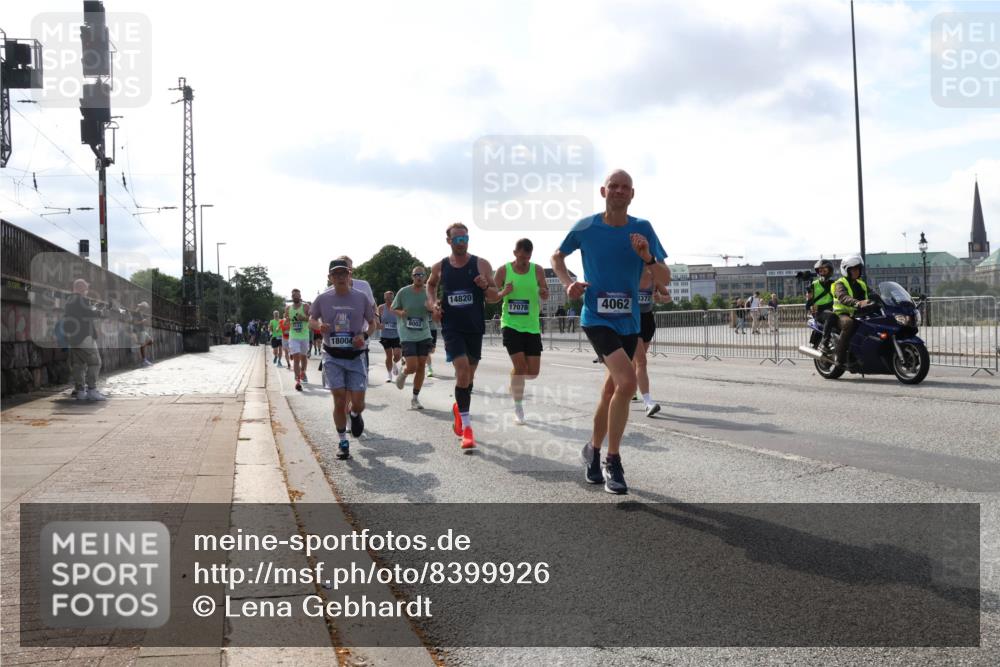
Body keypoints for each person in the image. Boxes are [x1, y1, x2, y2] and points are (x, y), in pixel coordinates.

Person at [551, 169, 668, 494]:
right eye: (613, 186)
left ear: (632, 194)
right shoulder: (587, 226)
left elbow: (665, 277)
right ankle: (612, 461)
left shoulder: (642, 228)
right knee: (627, 381)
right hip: (596, 317)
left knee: (610, 391)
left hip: (629, 321)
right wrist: (568, 282)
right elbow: (557, 256)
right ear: (603, 191)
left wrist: (647, 257)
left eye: (625, 187)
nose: (619, 191)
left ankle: (592, 449)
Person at [426, 222, 499, 450]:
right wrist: (433, 304)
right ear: (449, 241)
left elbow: (494, 296)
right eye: (457, 239)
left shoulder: (481, 264)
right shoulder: (440, 266)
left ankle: (459, 408)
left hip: (474, 326)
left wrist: (485, 285)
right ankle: (467, 428)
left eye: (465, 238)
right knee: (463, 370)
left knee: (468, 377)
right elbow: (430, 285)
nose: (462, 242)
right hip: (452, 327)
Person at [310, 258, 376, 460]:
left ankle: (355, 415)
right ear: (330, 277)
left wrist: (363, 336)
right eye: (335, 274)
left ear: (350, 275)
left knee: (358, 403)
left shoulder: (361, 298)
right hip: (333, 355)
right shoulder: (322, 298)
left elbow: (372, 323)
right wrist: (318, 327)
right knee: (339, 401)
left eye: (343, 273)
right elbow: (311, 319)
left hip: (356, 356)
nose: (340, 277)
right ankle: (343, 442)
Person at [495, 238, 549, 425]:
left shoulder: (538, 270)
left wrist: (544, 293)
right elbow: (491, 297)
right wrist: (503, 292)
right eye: (521, 256)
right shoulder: (504, 270)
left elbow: (545, 293)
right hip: (510, 325)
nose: (525, 260)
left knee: (533, 372)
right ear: (515, 253)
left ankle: (514, 379)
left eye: (528, 257)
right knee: (520, 367)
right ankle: (518, 408)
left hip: (532, 326)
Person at [392, 266, 434, 409]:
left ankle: (415, 398)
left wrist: (431, 308)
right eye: (416, 275)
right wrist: (401, 313)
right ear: (412, 276)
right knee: (412, 366)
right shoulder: (403, 292)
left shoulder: (429, 291)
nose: (419, 277)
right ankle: (404, 372)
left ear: (425, 276)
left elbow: (435, 308)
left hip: (424, 332)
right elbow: (393, 308)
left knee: (422, 365)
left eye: (421, 275)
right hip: (407, 333)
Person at [633, 265, 671, 417]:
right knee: (641, 361)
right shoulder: (630, 275)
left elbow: (668, 298)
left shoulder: (654, 278)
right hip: (632, 320)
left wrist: (660, 298)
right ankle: (648, 402)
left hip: (648, 321)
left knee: (637, 361)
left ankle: (630, 388)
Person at [64, 278, 107, 401]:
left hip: (73, 338)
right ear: (81, 288)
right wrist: (100, 311)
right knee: (95, 362)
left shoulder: (69, 301)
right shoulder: (81, 300)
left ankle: (80, 391)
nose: (87, 290)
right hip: (84, 337)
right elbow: (91, 313)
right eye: (86, 288)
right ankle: (92, 390)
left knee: (79, 365)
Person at [832, 255, 871, 368]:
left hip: (859, 314)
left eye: (858, 269)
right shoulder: (840, 283)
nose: (856, 271)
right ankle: (840, 358)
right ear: (846, 270)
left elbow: (873, 294)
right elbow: (842, 296)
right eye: (853, 269)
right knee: (849, 323)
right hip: (842, 314)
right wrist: (857, 303)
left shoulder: (861, 284)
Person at [805, 259, 836, 349]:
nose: (822, 272)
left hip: (833, 309)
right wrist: (809, 294)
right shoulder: (813, 285)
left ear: (829, 271)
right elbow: (808, 304)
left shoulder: (834, 283)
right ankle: (825, 342)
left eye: (825, 270)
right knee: (831, 316)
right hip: (819, 312)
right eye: (820, 270)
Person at [286, 289, 312, 391]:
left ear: (300, 296)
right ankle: (297, 381)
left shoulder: (305, 306)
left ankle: (303, 372)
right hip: (293, 336)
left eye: (297, 295)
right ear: (292, 297)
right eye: (294, 295)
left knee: (303, 357)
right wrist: (287, 322)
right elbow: (287, 320)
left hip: (304, 336)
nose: (295, 297)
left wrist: (304, 318)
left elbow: (311, 319)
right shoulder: (288, 308)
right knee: (296, 358)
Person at [378, 291, 402, 383]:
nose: (389, 300)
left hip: (397, 335)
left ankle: (395, 363)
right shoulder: (381, 308)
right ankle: (389, 374)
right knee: (388, 355)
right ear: (384, 298)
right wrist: (379, 325)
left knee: (397, 355)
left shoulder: (398, 307)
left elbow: (403, 318)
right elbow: (376, 320)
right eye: (387, 298)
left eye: (391, 298)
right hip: (385, 335)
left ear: (394, 298)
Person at [133, 301, 154, 367]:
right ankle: (144, 361)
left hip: (143, 330)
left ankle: (144, 359)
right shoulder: (137, 312)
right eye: (145, 308)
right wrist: (143, 321)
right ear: (142, 307)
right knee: (143, 345)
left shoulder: (139, 312)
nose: (145, 309)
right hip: (140, 331)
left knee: (150, 341)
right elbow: (135, 322)